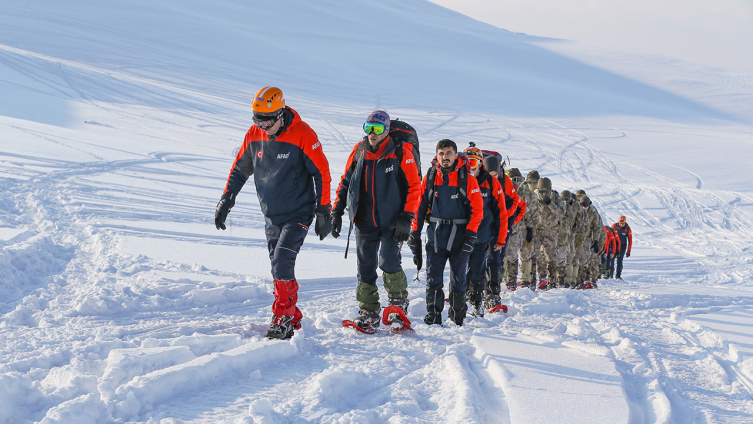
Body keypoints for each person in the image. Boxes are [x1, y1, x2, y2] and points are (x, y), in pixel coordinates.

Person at [215, 86, 332, 339]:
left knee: (282, 262)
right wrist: (226, 199)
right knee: (277, 269)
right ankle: (292, 314)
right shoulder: (254, 134)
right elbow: (239, 169)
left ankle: (283, 318)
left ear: (280, 114)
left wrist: (324, 210)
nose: (263, 126)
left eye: (267, 120)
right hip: (271, 214)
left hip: (299, 212)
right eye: (257, 119)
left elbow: (321, 172)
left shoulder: (303, 133)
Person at [331, 110, 421, 332]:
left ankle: (398, 304)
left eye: (378, 129)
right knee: (365, 266)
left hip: (393, 221)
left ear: (387, 130)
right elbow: (346, 182)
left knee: (389, 261)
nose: (372, 133)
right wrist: (336, 211)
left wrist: (407, 217)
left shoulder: (401, 152)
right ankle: (368, 311)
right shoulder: (359, 151)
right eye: (368, 127)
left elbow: (415, 187)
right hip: (364, 220)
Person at [408, 139, 483, 326]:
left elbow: (477, 210)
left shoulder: (468, 179)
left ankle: (457, 317)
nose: (445, 157)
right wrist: (414, 233)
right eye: (441, 153)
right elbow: (419, 206)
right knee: (433, 278)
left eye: (449, 153)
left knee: (459, 280)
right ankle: (433, 316)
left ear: (456, 155)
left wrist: (471, 236)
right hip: (436, 236)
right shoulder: (431, 177)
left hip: (460, 237)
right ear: (437, 155)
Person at [463, 145, 507, 317]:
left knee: (477, 271)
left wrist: (500, 238)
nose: (470, 166)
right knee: (458, 270)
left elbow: (501, 212)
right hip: (460, 235)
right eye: (467, 162)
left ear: (481, 163)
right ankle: (459, 300)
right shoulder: (458, 177)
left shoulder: (491, 182)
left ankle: (477, 301)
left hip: (481, 236)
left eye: (474, 162)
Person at [504, 168, 537, 291]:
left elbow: (531, 213)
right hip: (504, 227)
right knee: (503, 256)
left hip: (519, 228)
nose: (517, 183)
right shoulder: (504, 189)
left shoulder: (527, 193)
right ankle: (504, 279)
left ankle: (519, 281)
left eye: (520, 180)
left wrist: (530, 229)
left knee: (518, 255)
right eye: (514, 180)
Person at [532, 177, 563, 290]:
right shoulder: (533, 197)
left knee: (551, 259)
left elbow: (561, 213)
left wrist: (550, 203)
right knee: (534, 256)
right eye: (541, 191)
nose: (543, 194)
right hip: (538, 232)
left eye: (546, 191)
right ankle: (534, 281)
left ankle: (552, 282)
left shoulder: (556, 197)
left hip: (551, 232)